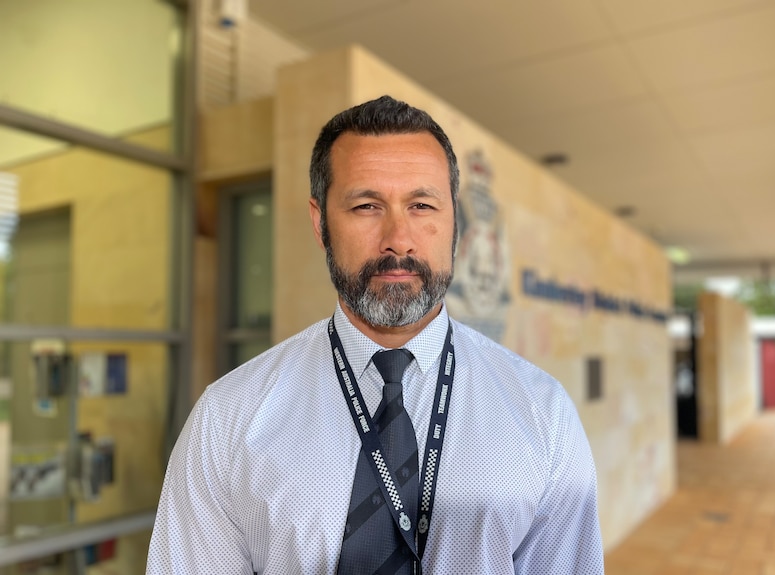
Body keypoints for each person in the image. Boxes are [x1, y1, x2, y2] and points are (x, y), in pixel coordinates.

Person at [146, 96, 604, 574]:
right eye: (367, 206)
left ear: (454, 223)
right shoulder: (228, 416)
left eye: (422, 205)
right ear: (320, 222)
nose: (398, 239)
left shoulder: (542, 412)